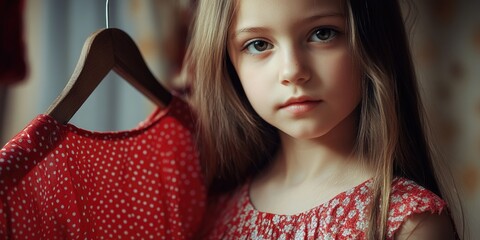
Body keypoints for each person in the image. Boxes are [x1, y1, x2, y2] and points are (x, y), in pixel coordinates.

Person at [185, 0, 464, 239]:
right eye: (258, 44)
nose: (292, 71)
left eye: (322, 33)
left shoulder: (407, 224)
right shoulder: (209, 211)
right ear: (228, 63)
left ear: (373, 41)